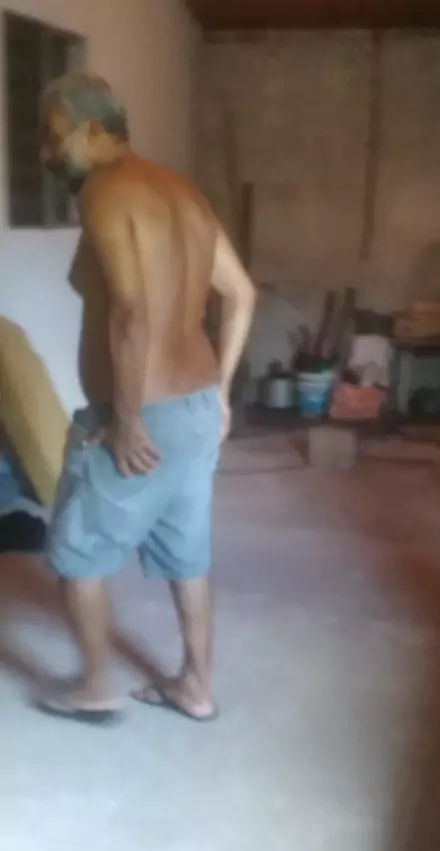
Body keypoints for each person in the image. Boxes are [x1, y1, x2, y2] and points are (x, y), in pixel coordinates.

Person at [39, 72, 256, 723]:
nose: (47, 153)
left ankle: (95, 686)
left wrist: (128, 419)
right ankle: (195, 685)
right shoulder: (184, 193)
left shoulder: (106, 189)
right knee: (186, 555)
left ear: (93, 130)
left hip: (144, 416)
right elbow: (242, 294)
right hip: (195, 408)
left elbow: (131, 311)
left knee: (76, 554)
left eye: (53, 137)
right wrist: (222, 394)